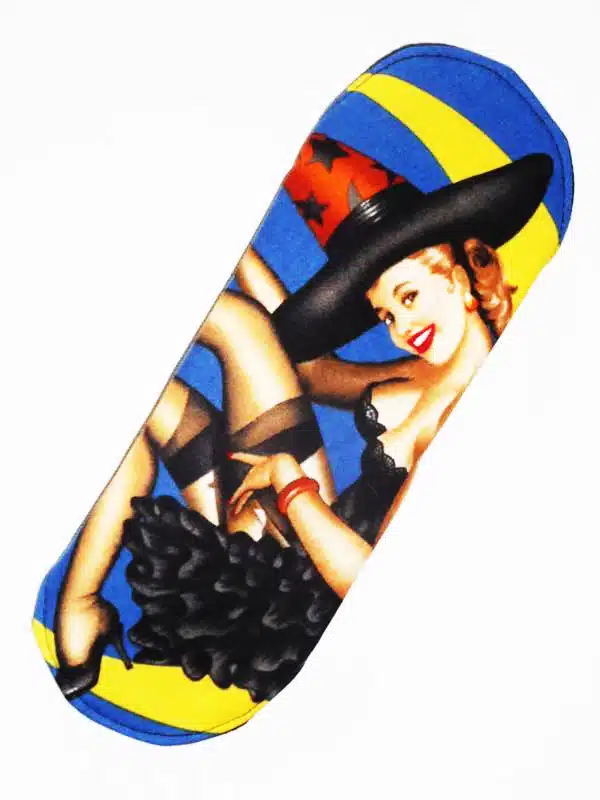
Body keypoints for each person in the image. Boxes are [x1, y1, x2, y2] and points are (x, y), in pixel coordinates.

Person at [53, 134, 553, 703]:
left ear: (460, 276)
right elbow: (312, 373)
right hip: (276, 532)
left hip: (295, 584)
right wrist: (241, 257)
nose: (400, 328)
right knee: (162, 400)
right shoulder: (423, 372)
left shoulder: (470, 413)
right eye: (385, 314)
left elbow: (365, 576)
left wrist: (292, 485)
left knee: (235, 323)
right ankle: (79, 613)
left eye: (409, 297)